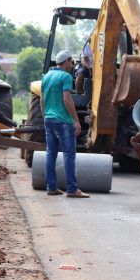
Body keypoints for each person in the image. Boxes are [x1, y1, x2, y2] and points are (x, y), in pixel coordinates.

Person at [40, 50, 90, 198]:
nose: (72, 64)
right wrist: (76, 120)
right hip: (63, 121)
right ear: (67, 61)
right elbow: (67, 99)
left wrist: (45, 117)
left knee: (51, 154)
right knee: (69, 155)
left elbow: (42, 100)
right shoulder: (66, 77)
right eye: (71, 61)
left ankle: (51, 187)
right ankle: (72, 189)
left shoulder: (46, 76)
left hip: (49, 120)